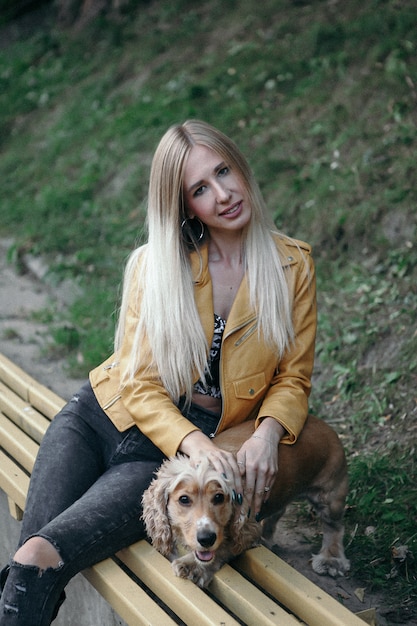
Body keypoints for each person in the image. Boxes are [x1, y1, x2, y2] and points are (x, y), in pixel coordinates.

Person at [0, 120, 316, 625]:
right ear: (185, 204)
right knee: (26, 561)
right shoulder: (157, 264)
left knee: (42, 554)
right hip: (97, 417)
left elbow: (294, 378)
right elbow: (139, 384)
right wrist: (199, 445)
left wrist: (267, 433)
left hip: (160, 458)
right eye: (200, 189)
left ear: (239, 164)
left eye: (224, 171)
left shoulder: (292, 266)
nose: (224, 194)